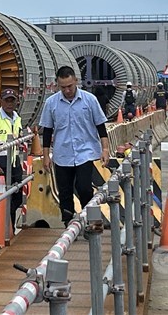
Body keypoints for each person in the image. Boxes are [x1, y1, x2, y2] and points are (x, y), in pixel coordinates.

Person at [39, 66, 111, 227]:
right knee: (64, 192)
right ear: (58, 85)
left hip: (85, 152)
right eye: (63, 87)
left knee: (84, 187)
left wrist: (105, 149)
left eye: (70, 86)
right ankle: (68, 223)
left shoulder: (89, 100)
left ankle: (88, 219)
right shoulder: (51, 103)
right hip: (62, 153)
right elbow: (47, 131)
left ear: (76, 82)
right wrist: (45, 156)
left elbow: (100, 126)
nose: (67, 90)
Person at [0, 88, 24, 229]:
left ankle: (0, 218)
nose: (9, 104)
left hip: (14, 161)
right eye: (7, 100)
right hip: (0, 162)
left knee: (18, 196)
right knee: (4, 197)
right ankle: (8, 230)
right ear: (1, 101)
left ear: (16, 101)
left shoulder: (16, 117)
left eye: (12, 100)